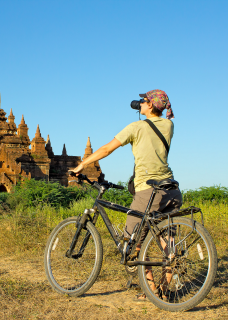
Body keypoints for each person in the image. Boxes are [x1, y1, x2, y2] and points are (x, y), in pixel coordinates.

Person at [71, 89, 182, 301]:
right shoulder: (169, 125)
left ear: (150, 106)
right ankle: (166, 290)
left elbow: (106, 149)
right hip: (171, 189)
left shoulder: (136, 127)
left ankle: (150, 290)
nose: (140, 104)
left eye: (144, 101)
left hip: (149, 190)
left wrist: (83, 164)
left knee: (132, 242)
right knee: (168, 242)